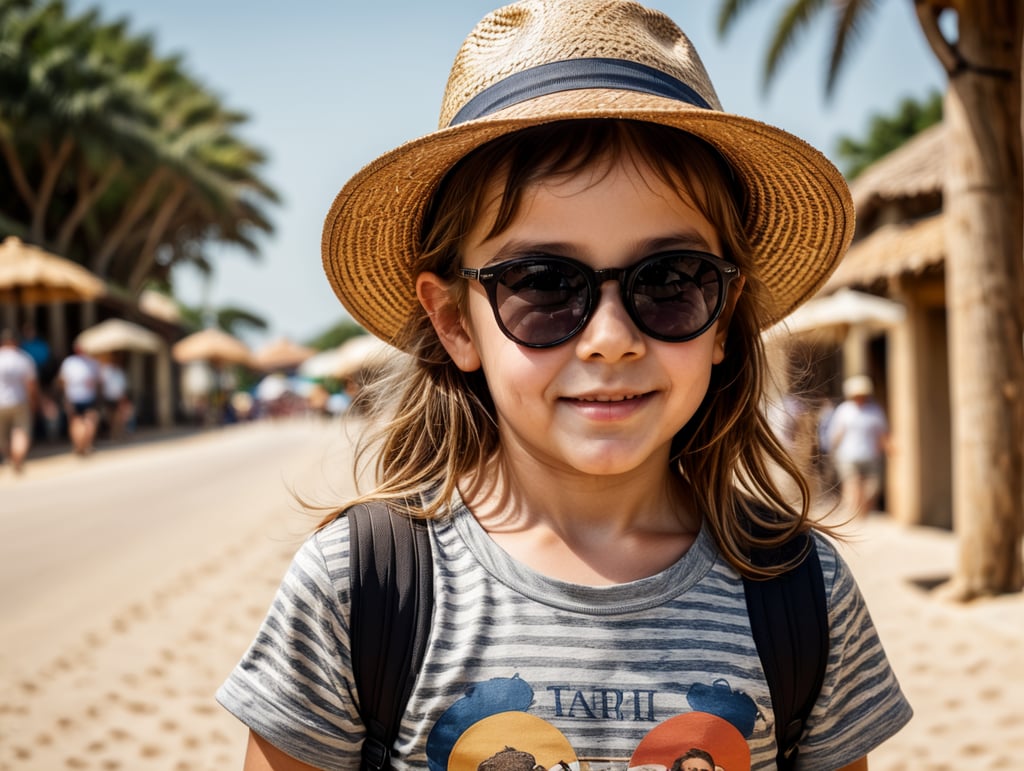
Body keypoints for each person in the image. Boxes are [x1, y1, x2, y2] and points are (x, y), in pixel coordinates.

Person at [217, 2, 912, 769]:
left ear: (725, 315)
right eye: (544, 283)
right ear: (454, 320)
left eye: (671, 280)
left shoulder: (802, 596)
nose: (611, 339)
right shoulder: (359, 590)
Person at [827, 375, 891, 518]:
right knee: (852, 485)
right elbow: (836, 433)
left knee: (871, 488)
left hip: (870, 455)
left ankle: (863, 513)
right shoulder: (844, 410)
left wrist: (887, 448)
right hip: (848, 455)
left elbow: (882, 432)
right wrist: (832, 450)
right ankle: (855, 515)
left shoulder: (874, 410)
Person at [0, 328, 38, 473]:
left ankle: (9, 457)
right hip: (19, 401)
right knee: (21, 431)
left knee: (2, 435)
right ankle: (18, 457)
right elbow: (31, 385)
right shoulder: (23, 358)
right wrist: (34, 402)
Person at [57, 344, 101, 455]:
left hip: (73, 396)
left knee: (76, 423)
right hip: (89, 396)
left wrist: (64, 395)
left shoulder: (69, 362)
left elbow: (62, 380)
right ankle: (87, 445)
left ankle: (79, 446)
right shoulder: (93, 362)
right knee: (90, 422)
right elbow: (98, 381)